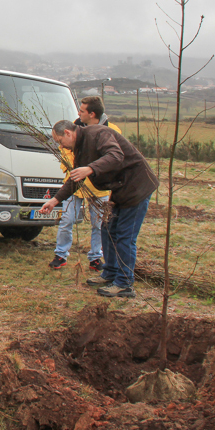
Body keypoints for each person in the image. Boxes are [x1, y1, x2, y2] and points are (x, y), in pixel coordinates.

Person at [41, 119, 158, 298]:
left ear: (68, 133)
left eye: (60, 142)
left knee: (125, 237)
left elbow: (115, 156)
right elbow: (76, 179)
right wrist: (54, 201)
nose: (62, 147)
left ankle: (124, 283)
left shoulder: (98, 133)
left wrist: (90, 168)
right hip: (122, 189)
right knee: (108, 229)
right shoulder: (79, 148)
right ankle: (110, 273)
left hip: (137, 187)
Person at [50, 96, 120, 271]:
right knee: (67, 220)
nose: (79, 113)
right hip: (75, 184)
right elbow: (65, 152)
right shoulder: (73, 130)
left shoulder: (112, 131)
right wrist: (72, 169)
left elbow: (114, 157)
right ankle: (61, 255)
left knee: (99, 224)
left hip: (99, 188)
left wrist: (92, 170)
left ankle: (96, 258)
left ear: (92, 113)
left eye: (82, 110)